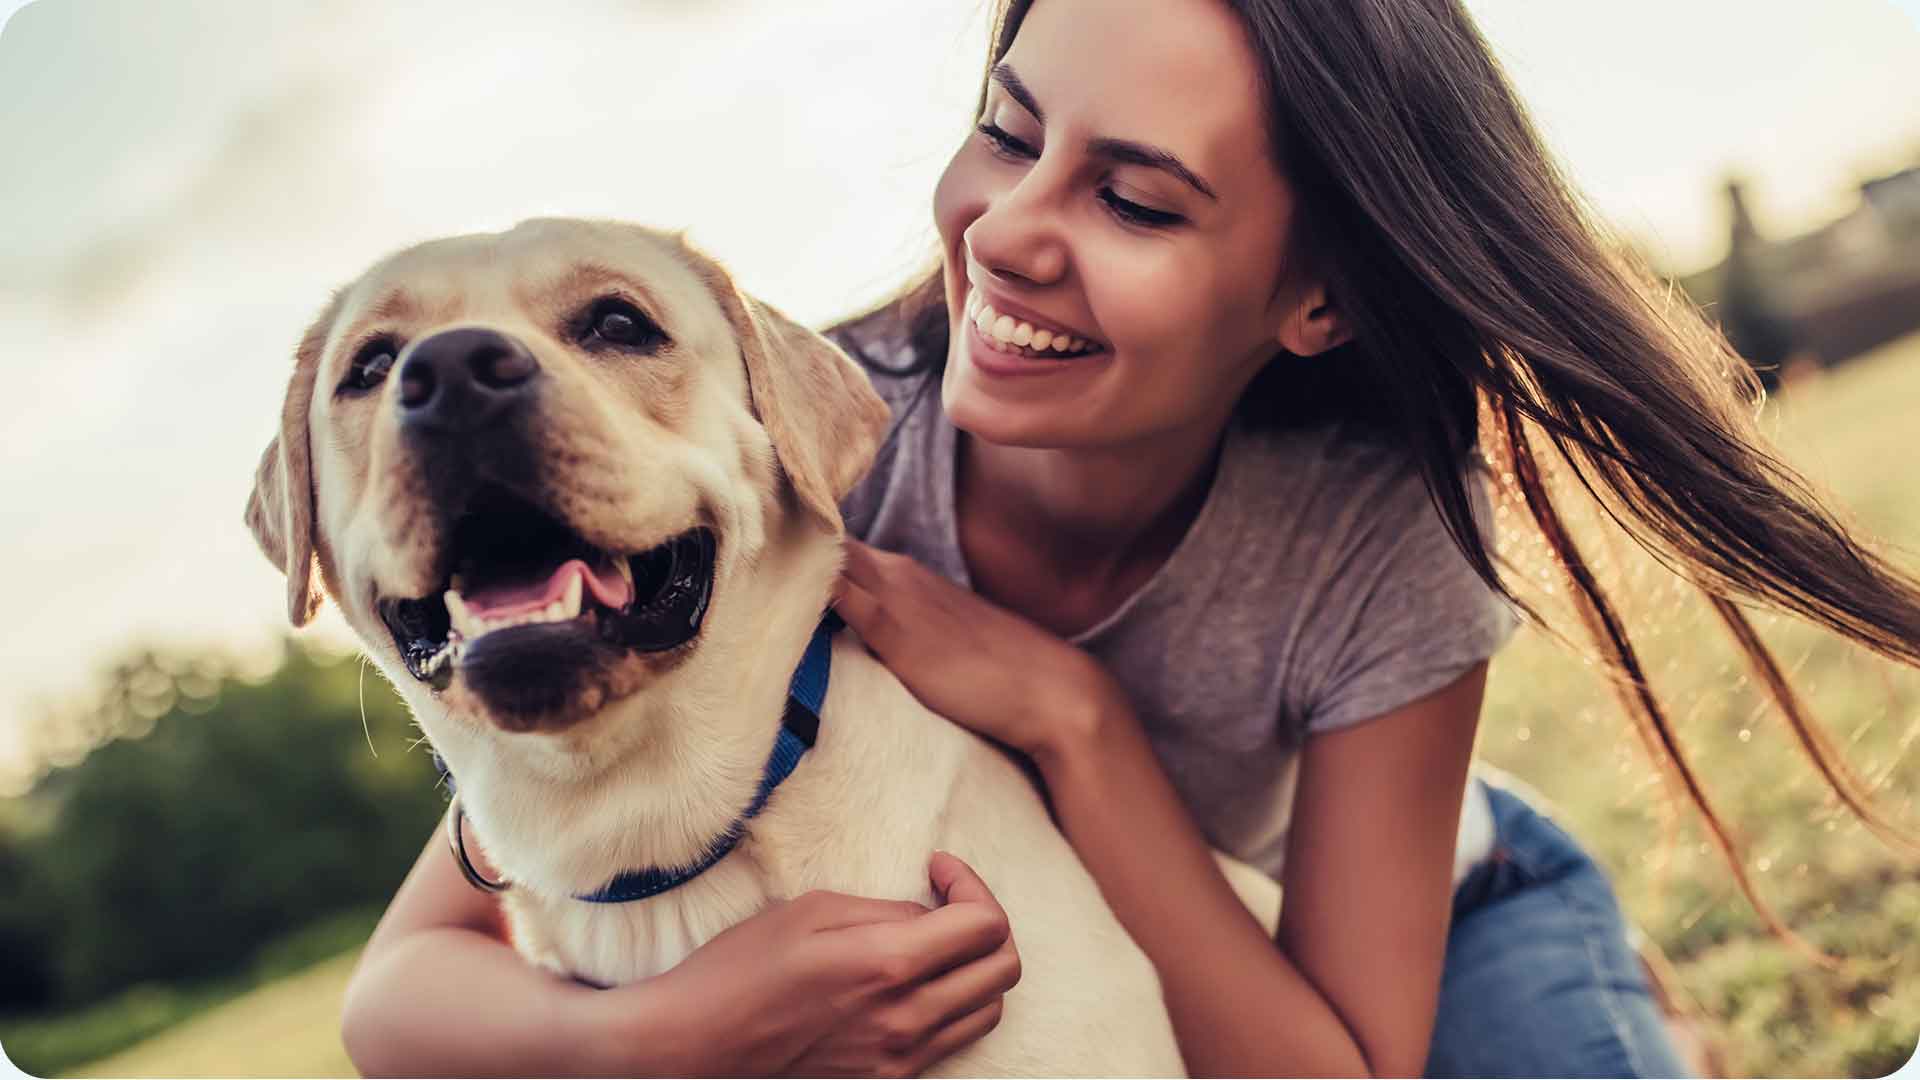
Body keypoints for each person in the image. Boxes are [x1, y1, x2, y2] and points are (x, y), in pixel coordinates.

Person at [341, 0, 1920, 1075]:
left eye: (1139, 204)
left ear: (1317, 299)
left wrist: (1072, 718)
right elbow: (402, 991)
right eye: (1008, 132)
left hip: (1431, 925)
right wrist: (665, 1036)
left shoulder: (1379, 535)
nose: (1011, 231)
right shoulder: (780, 459)